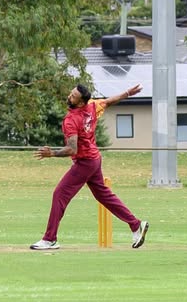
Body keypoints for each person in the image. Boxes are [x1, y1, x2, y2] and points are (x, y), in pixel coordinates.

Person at [30, 83, 149, 250]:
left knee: (59, 194)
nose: (69, 97)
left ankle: (49, 239)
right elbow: (108, 102)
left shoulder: (71, 120)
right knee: (104, 196)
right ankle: (136, 225)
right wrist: (128, 93)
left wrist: (53, 154)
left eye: (73, 96)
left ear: (80, 102)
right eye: (71, 93)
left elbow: (72, 149)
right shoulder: (92, 106)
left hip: (85, 163)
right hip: (94, 160)